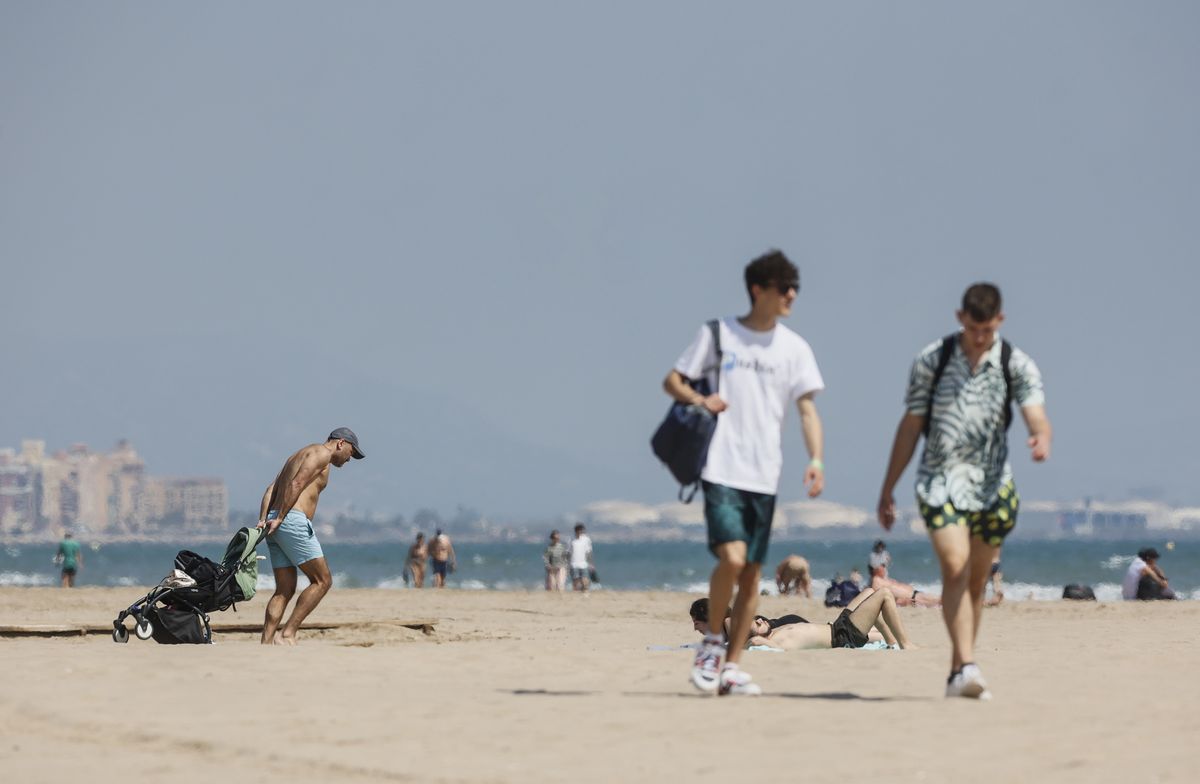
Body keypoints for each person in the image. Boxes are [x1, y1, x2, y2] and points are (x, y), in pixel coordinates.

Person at [877, 283, 1052, 700]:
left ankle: (959, 668)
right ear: (961, 318)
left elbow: (1035, 413)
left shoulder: (1016, 363)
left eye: (987, 330)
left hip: (993, 487)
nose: (979, 338)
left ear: (999, 322)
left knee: (974, 582)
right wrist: (888, 488)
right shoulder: (933, 361)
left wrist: (1040, 436)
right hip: (940, 482)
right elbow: (911, 426)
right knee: (954, 569)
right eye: (974, 328)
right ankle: (967, 665)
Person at [665, 249, 825, 696]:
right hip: (720, 466)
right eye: (784, 287)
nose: (792, 295)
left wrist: (816, 459)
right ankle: (713, 644)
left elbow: (807, 409)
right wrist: (700, 400)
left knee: (752, 574)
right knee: (732, 559)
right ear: (759, 290)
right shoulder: (718, 335)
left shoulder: (795, 348)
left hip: (765, 475)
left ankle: (732, 667)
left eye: (796, 288)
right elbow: (673, 380)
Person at [256, 427, 365, 645]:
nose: (350, 459)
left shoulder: (296, 456)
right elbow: (296, 484)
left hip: (275, 520)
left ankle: (266, 642)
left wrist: (264, 519)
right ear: (341, 443)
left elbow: (271, 489)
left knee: (284, 589)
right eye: (351, 453)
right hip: (290, 520)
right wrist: (282, 518)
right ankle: (288, 633)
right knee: (323, 581)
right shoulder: (321, 454)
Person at [689, 587, 914, 651]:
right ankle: (903, 644)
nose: (758, 621)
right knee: (883, 595)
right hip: (843, 636)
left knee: (869, 591)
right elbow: (753, 641)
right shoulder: (767, 640)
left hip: (836, 627)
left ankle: (892, 642)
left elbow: (748, 636)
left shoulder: (766, 634)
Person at [568, 524, 593, 592]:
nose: (580, 532)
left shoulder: (586, 539)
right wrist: (567, 564)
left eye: (581, 531)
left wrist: (591, 563)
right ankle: (576, 592)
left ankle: (585, 591)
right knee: (575, 580)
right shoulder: (571, 539)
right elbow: (569, 552)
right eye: (578, 531)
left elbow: (589, 552)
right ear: (575, 531)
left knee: (585, 579)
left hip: (583, 563)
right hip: (573, 563)